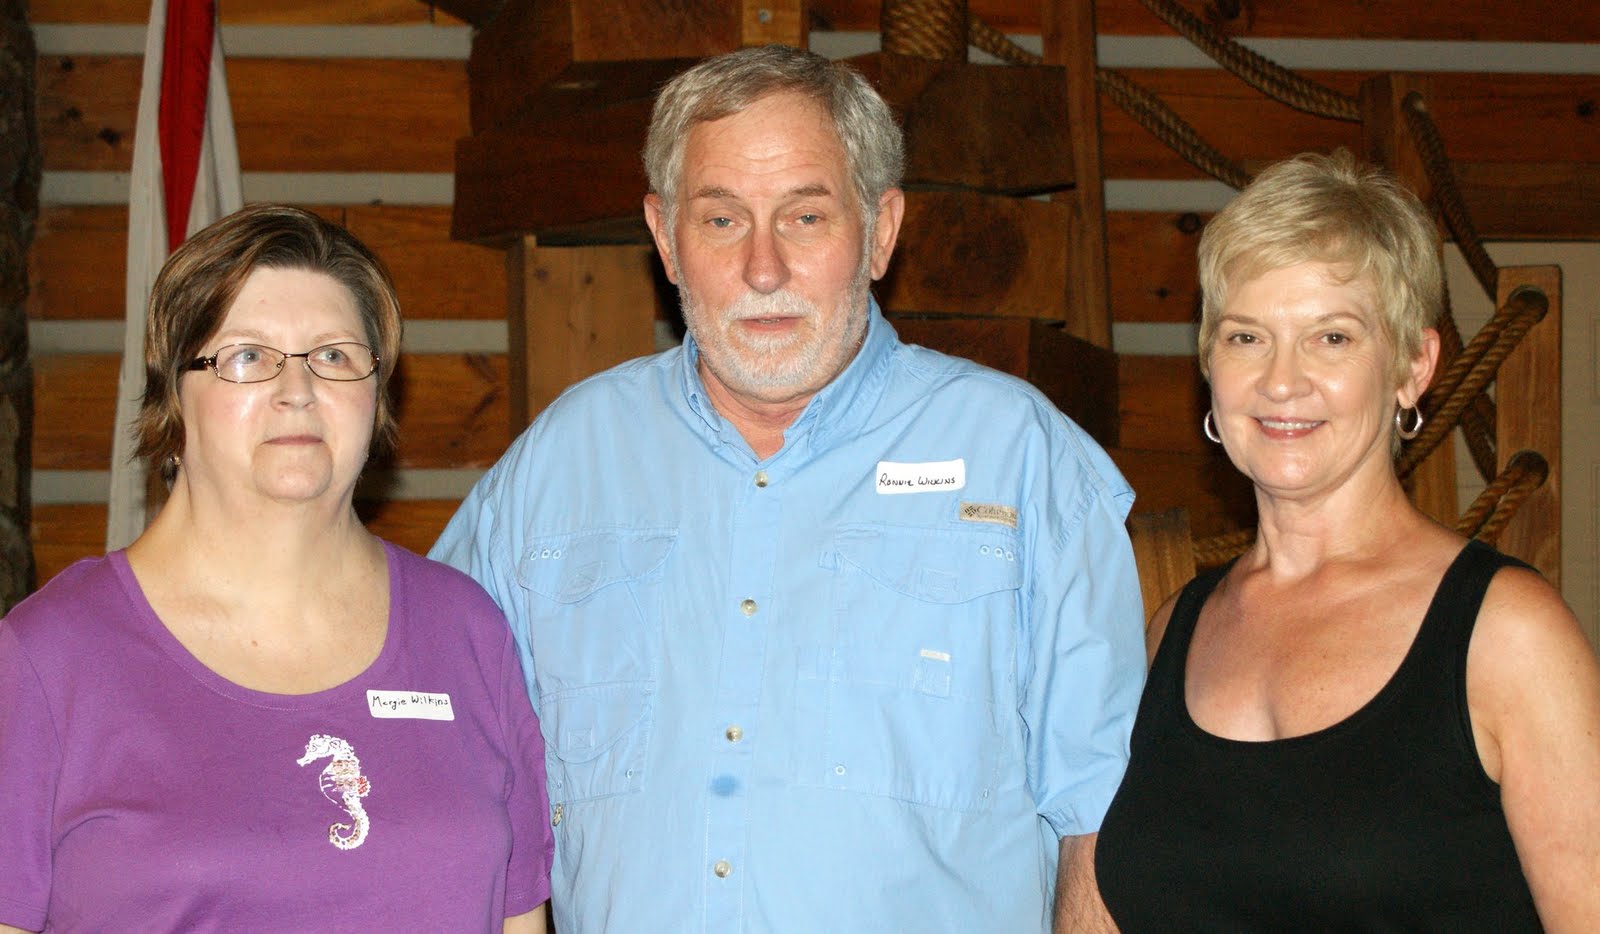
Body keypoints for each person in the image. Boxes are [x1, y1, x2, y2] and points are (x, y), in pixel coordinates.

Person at [430, 44, 1144, 932]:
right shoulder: (555, 467)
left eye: (805, 217)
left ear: (881, 230)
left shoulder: (1022, 458)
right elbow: (433, 750)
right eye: (721, 219)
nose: (762, 269)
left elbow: (1104, 812)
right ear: (665, 238)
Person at [0, 205, 553, 932]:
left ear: (378, 394)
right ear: (173, 396)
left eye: (334, 356)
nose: (298, 390)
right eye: (247, 357)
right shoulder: (49, 657)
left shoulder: (465, 630)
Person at [1095, 151, 1600, 930]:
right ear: (1208, 365)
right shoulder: (1175, 630)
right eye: (1246, 337)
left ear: (1413, 366)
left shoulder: (1508, 635)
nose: (1281, 381)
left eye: (1331, 338)